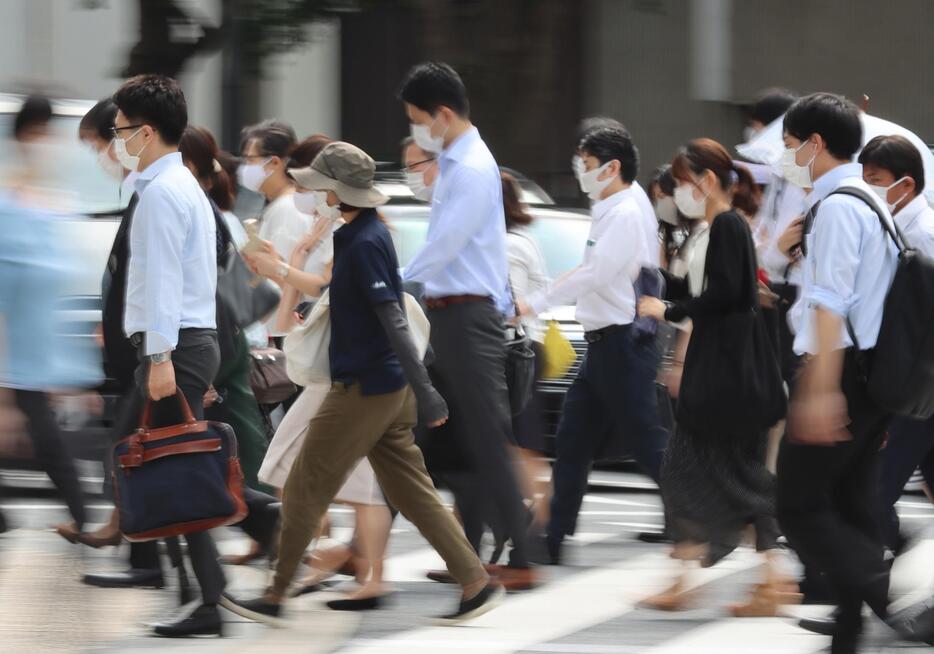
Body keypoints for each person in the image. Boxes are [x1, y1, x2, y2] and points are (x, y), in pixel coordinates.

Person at [222, 141, 504, 625]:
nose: (313, 195)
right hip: (383, 390)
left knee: (308, 485)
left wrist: (427, 390)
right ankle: (475, 582)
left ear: (337, 193)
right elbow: (341, 300)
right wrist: (289, 263)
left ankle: (274, 595)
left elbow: (392, 318)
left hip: (366, 389)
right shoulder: (358, 236)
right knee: (414, 493)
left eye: (320, 188)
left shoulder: (365, 241)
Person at [637, 139, 792, 615]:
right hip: (720, 370)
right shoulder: (711, 228)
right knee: (720, 475)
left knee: (695, 472)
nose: (679, 191)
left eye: (684, 181)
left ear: (705, 180)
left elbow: (727, 295)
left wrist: (669, 309)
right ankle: (762, 581)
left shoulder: (726, 225)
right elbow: (707, 287)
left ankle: (702, 580)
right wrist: (666, 279)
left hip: (725, 374)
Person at [398, 61, 536, 590]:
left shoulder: (473, 167)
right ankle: (471, 554)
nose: (415, 129)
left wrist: (397, 282)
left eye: (417, 119)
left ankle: (522, 556)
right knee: (457, 440)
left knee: (485, 439)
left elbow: (447, 244)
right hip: (453, 314)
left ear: (443, 114)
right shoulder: (458, 163)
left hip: (468, 316)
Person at [775, 92, 899, 654]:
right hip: (869, 373)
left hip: (842, 371)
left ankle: (879, 593)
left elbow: (831, 303)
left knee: (798, 504)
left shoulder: (840, 206)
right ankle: (849, 631)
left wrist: (821, 390)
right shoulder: (865, 201)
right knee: (849, 500)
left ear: (815, 144)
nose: (785, 158)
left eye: (788, 145)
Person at [519, 121, 668, 565]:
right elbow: (593, 270)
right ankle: (551, 536)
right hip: (607, 343)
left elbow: (596, 273)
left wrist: (536, 301)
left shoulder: (623, 213)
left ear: (612, 168)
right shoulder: (618, 204)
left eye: (586, 164)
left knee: (646, 443)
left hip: (623, 345)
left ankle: (699, 520)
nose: (580, 172)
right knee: (573, 441)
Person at [108, 74, 226, 637]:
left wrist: (159, 358)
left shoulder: (160, 195)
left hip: (174, 346)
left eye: (121, 131)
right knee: (170, 462)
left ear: (147, 131)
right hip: (186, 343)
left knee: (177, 467)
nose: (117, 141)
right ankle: (196, 591)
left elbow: (162, 284)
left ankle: (208, 601)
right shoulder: (183, 187)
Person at [0, 96, 96, 542]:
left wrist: (69, 368)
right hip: (12, 347)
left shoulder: (56, 203)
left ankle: (80, 516)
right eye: (41, 133)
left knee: (47, 440)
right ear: (24, 137)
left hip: (36, 352)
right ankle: (80, 516)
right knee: (45, 439)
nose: (49, 143)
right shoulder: (8, 204)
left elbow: (57, 291)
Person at [858, 136, 934, 554]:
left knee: (873, 487)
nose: (868, 187)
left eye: (875, 179)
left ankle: (870, 589)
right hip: (913, 380)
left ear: (905, 184)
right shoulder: (894, 226)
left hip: (918, 384)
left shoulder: (924, 234)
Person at [502, 172, 551, 529]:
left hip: (513, 352)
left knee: (514, 442)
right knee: (522, 442)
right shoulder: (524, 239)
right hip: (529, 348)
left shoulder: (507, 245)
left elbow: (508, 308)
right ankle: (539, 519)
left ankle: (536, 519)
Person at [238, 120, 310, 340]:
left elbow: (287, 283)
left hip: (283, 333)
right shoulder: (281, 206)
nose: (245, 167)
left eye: (251, 160)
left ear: (275, 163)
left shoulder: (286, 210)